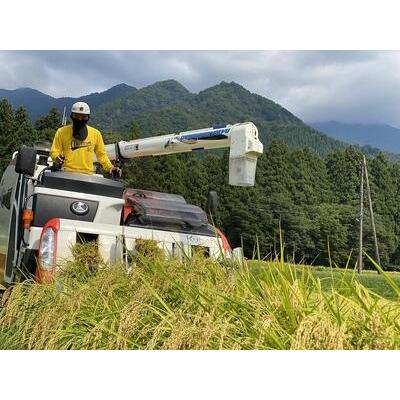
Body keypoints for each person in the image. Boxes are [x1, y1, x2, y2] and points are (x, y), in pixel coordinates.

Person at [50, 102, 122, 177]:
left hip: (87, 175)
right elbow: (54, 151)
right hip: (66, 173)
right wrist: (57, 157)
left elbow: (101, 155)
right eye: (77, 116)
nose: (80, 119)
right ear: (72, 116)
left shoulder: (95, 134)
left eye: (83, 117)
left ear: (88, 117)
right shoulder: (62, 132)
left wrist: (110, 167)